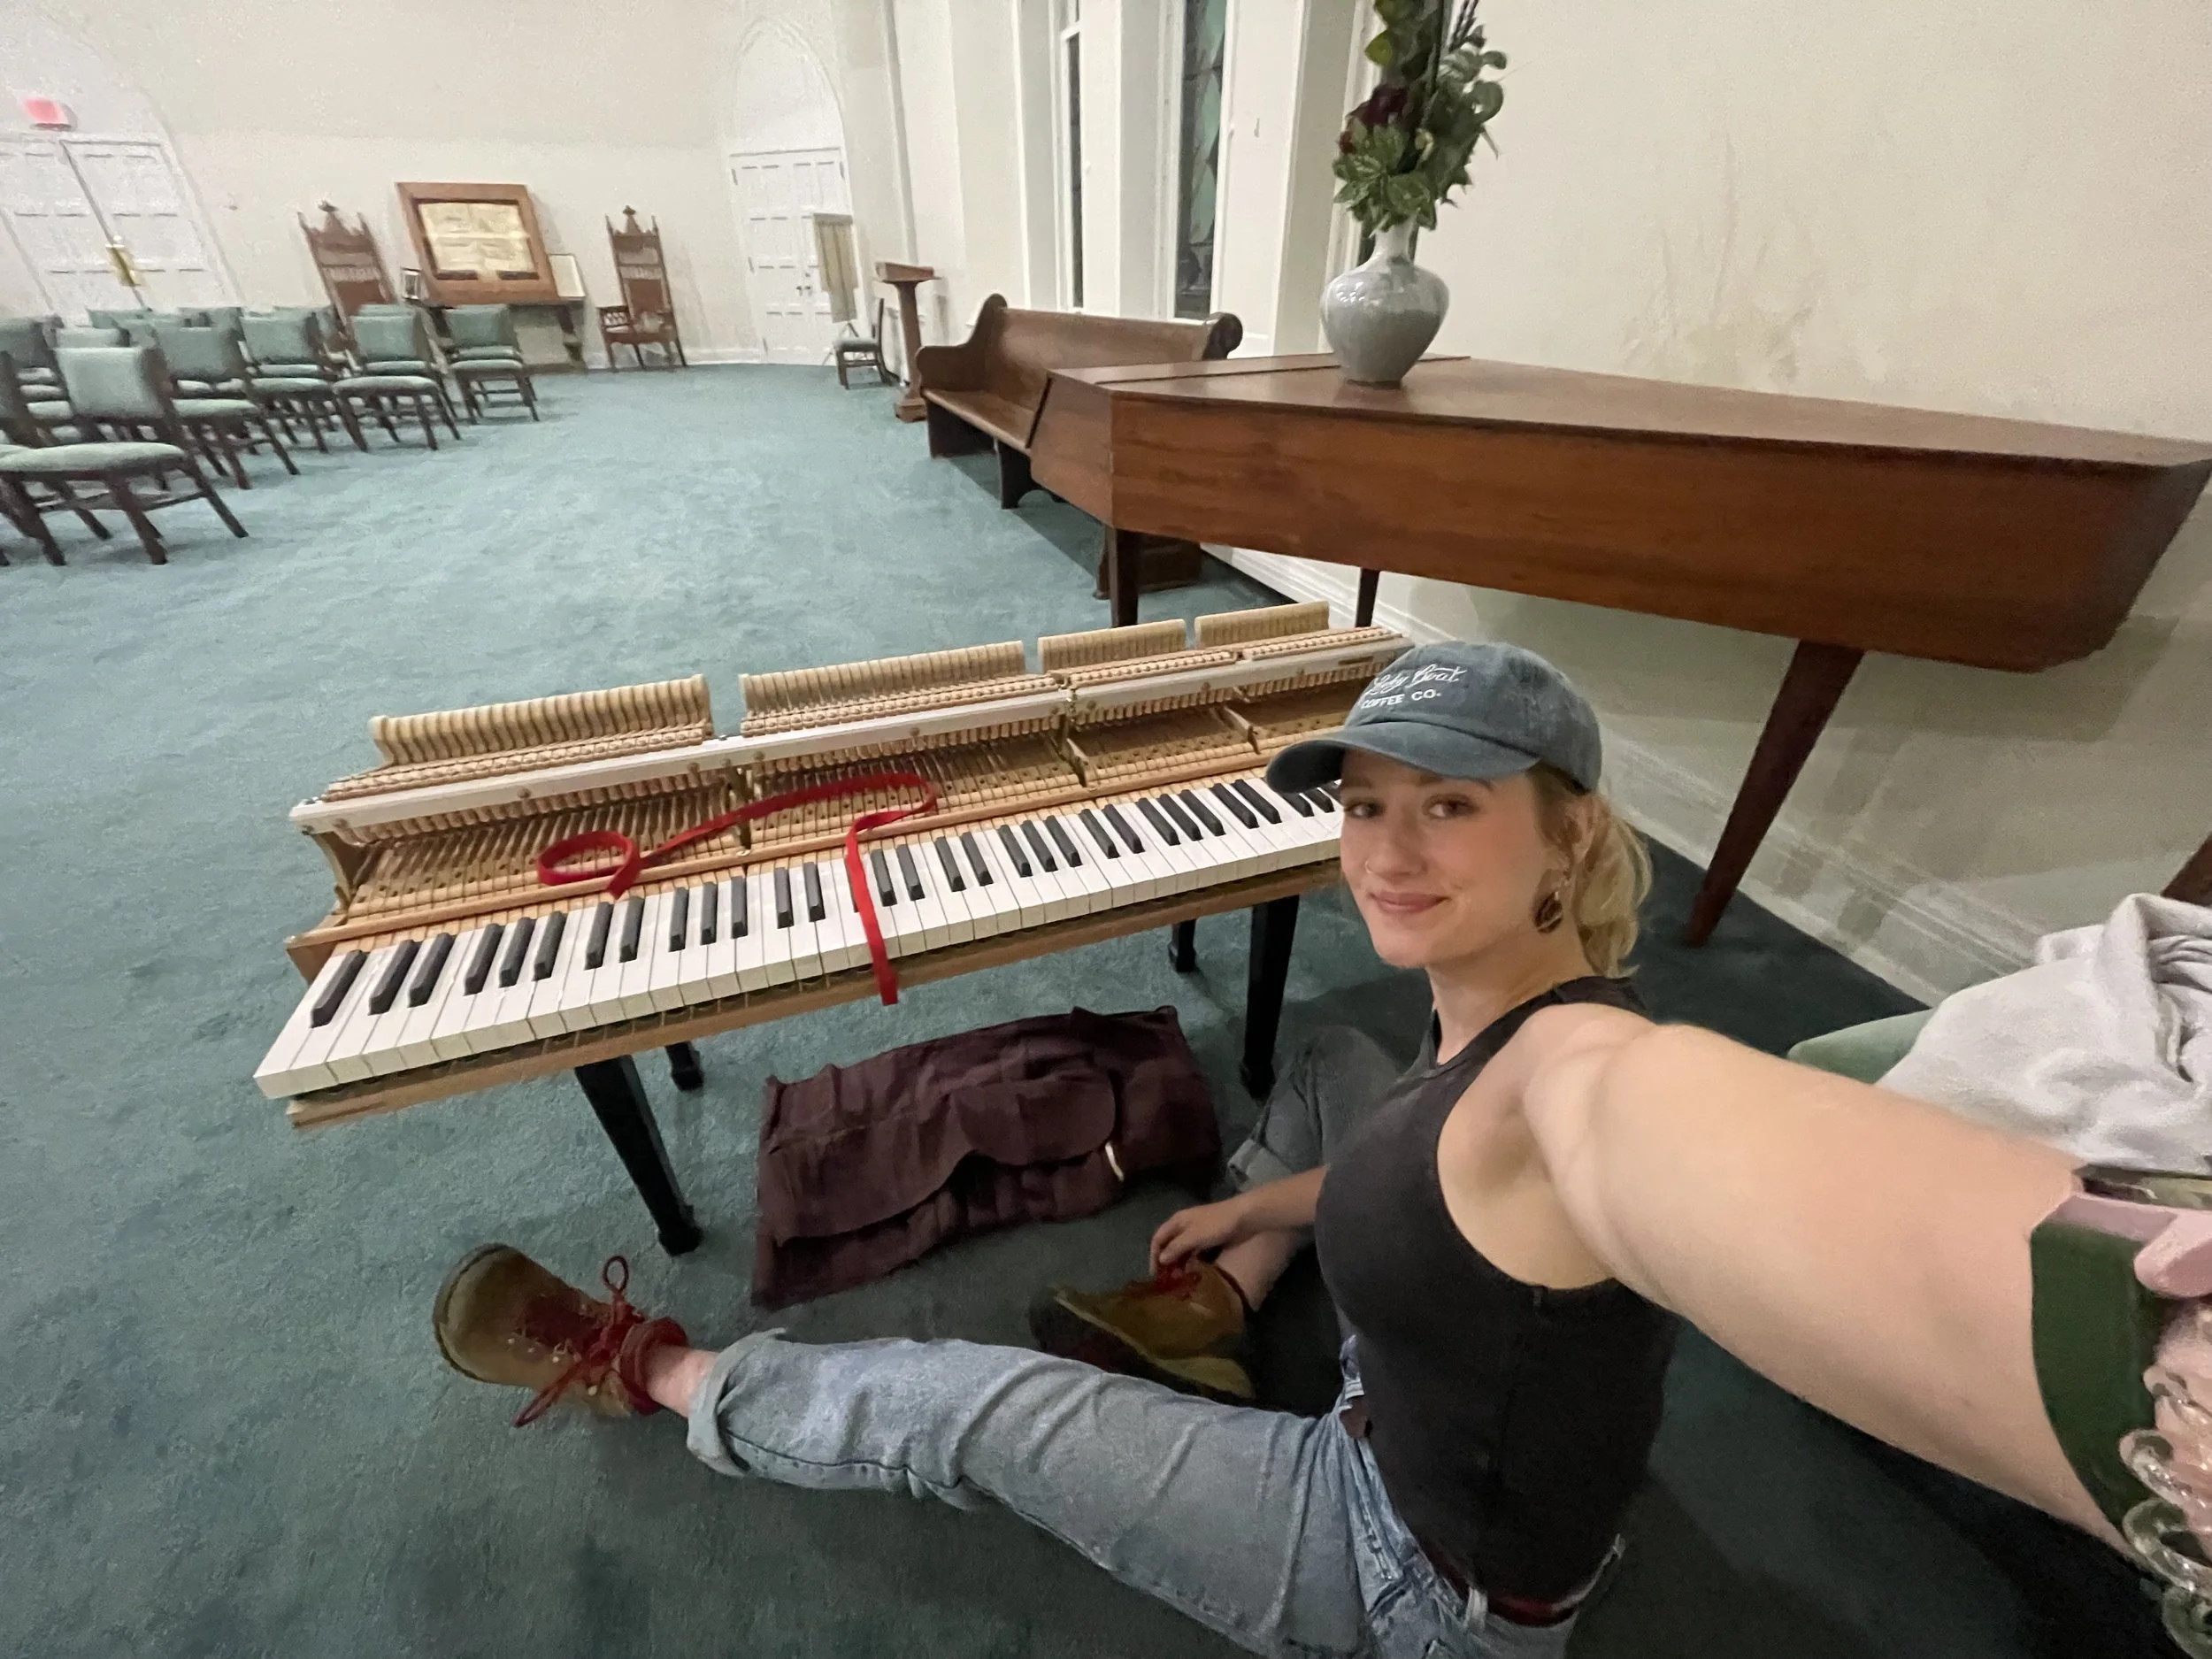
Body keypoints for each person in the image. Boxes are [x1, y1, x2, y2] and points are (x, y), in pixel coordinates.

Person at [434, 641, 1679, 1659]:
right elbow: (1422, 1169)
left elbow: (1681, 1151)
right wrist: (1253, 1224)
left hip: (1402, 1570)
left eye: (1449, 806)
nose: (1387, 854)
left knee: (979, 1406)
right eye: (1364, 804)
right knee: (1343, 1064)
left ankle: (658, 1371)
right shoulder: (1500, 1017)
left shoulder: (1592, 1085)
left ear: (1571, 834)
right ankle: (1214, 1307)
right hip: (1431, 1393)